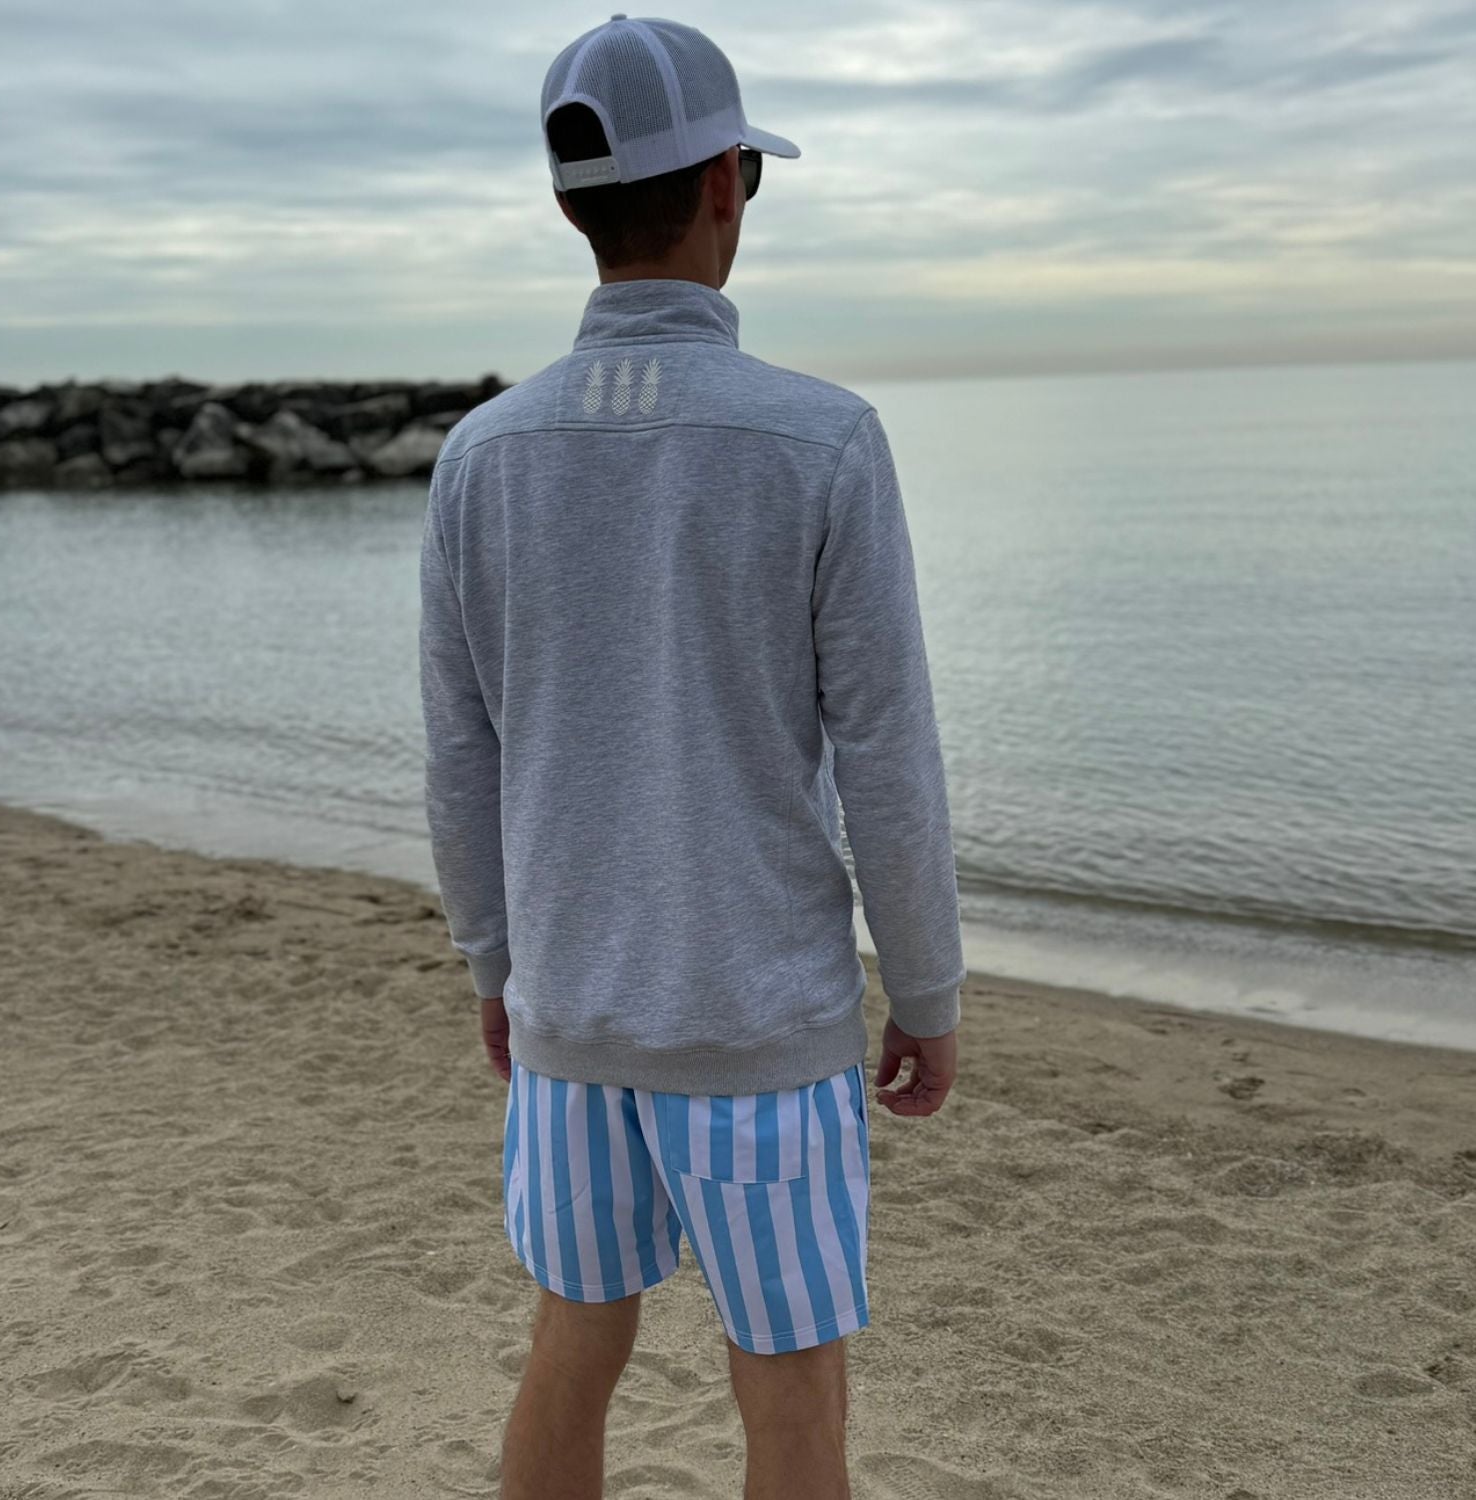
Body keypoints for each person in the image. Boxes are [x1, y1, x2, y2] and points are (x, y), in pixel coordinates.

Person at [418, 15, 965, 1499]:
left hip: (570, 1010)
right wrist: (925, 991)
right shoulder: (821, 440)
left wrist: (494, 966)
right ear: (727, 182)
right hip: (757, 1019)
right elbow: (889, 757)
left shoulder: (482, 456)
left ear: (569, 208)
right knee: (793, 1393)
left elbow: (462, 759)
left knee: (571, 1346)